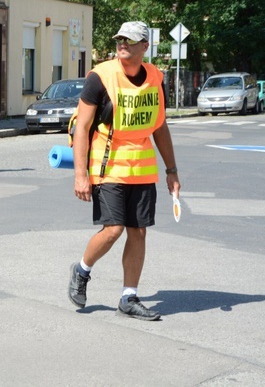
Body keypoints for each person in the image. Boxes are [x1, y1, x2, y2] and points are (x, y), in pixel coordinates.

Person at [68, 21, 181, 321]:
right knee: (113, 230)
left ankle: (128, 296)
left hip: (142, 169)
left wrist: (172, 170)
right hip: (107, 166)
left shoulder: (156, 78)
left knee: (139, 232)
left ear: (145, 46)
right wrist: (81, 175)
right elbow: (81, 127)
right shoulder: (101, 77)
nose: (123, 44)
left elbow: (159, 127)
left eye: (130, 40)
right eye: (120, 39)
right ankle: (81, 270)